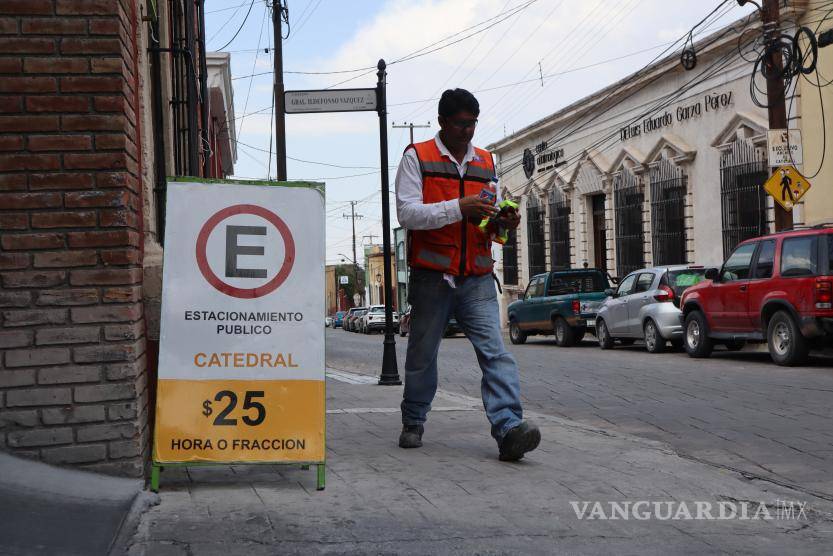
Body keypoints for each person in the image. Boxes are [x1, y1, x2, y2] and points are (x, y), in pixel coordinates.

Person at [394, 88, 540, 462]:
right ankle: (413, 420)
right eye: (461, 123)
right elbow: (409, 215)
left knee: (496, 353)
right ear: (442, 122)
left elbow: (489, 223)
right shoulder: (417, 157)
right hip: (432, 274)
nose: (468, 131)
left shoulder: (487, 161)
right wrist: (459, 206)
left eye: (473, 123)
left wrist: (503, 223)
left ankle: (509, 428)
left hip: (476, 275)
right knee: (423, 354)